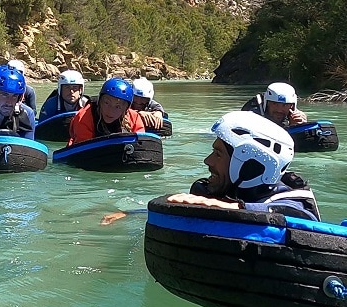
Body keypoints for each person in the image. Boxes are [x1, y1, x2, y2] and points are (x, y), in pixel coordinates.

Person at [101, 111, 319, 225]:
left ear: (249, 164)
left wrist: (233, 207)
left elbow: (297, 216)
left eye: (218, 154)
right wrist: (131, 213)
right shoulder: (221, 192)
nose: (207, 161)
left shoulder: (293, 202)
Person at [68, 77, 145, 145]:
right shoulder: (83, 117)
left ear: (125, 109)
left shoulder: (134, 118)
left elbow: (142, 145)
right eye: (106, 103)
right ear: (99, 101)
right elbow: (83, 149)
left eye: (117, 107)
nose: (110, 111)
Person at [242, 82, 308, 128]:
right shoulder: (253, 115)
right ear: (267, 103)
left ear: (291, 106)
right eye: (275, 104)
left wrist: (297, 127)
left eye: (285, 105)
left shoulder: (294, 116)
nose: (279, 110)